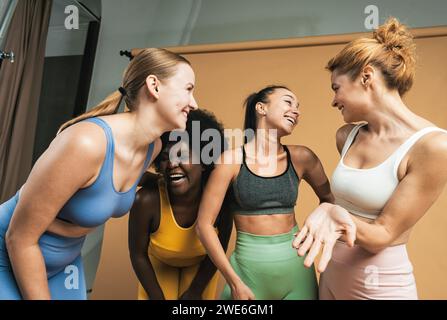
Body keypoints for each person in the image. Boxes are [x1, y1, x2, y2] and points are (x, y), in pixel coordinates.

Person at [0, 48, 198, 299]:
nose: (194, 103)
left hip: (66, 263)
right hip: (11, 254)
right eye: (188, 89)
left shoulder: (152, 147)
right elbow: (19, 238)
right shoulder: (86, 143)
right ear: (154, 86)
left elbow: (111, 182)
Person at [293, 17, 447, 299]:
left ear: (366, 77)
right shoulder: (345, 136)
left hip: (381, 287)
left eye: (336, 88)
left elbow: (383, 234)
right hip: (330, 277)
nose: (333, 100)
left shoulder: (433, 146)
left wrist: (332, 212)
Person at [196, 85, 334, 300]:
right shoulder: (230, 161)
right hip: (247, 276)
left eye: (298, 107)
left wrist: (315, 229)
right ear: (261, 108)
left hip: (297, 272)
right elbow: (204, 225)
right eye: (288, 102)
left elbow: (330, 202)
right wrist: (234, 282)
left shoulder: (302, 157)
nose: (296, 111)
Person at [129, 109, 233, 300]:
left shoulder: (221, 201)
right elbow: (138, 254)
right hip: (158, 264)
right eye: (165, 157)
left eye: (181, 154)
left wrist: (194, 292)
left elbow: (219, 249)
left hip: (201, 266)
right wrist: (156, 296)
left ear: (204, 162)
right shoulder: (146, 201)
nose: (171, 163)